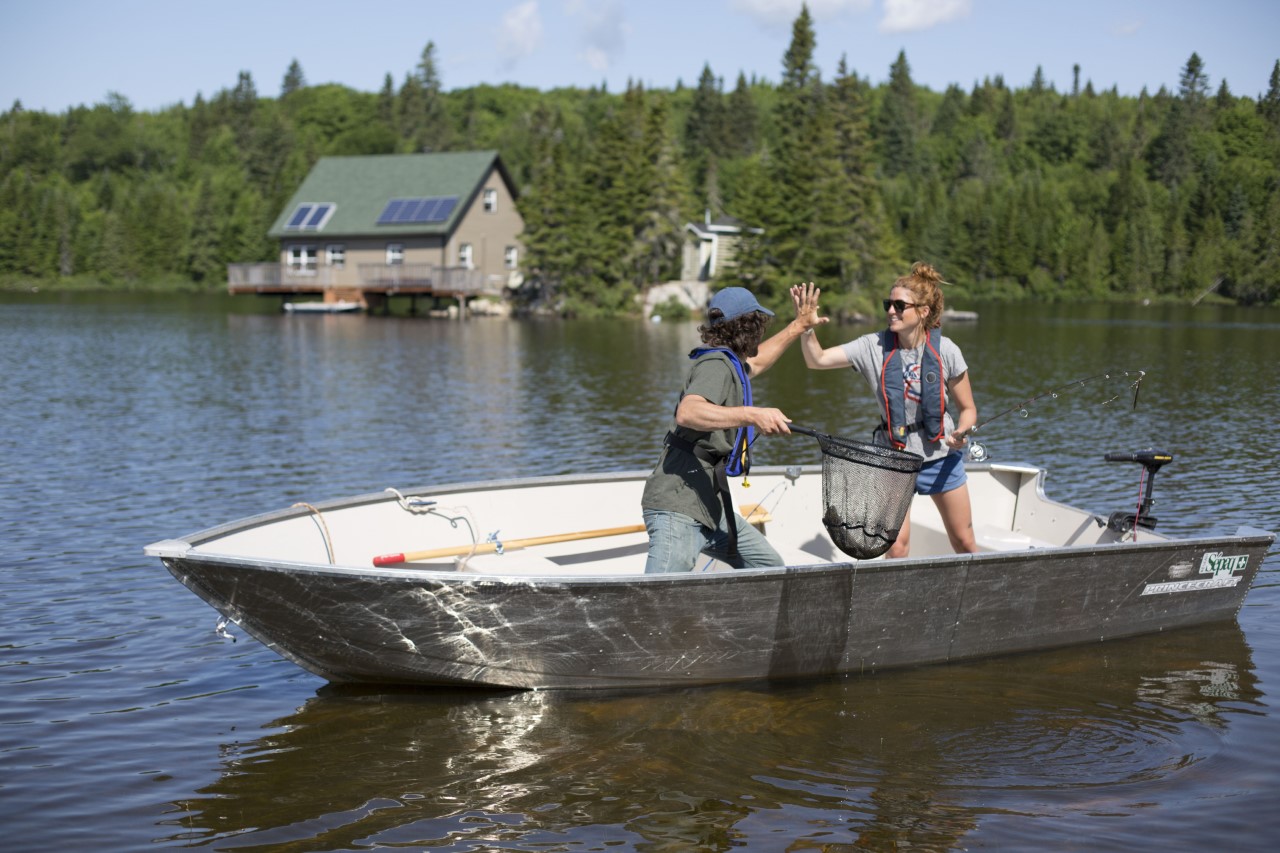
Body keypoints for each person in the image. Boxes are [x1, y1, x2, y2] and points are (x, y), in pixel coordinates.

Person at [795, 263, 979, 557]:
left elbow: (968, 409)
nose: (891, 311)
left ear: (923, 311)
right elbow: (816, 359)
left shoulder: (947, 351)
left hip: (941, 456)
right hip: (895, 459)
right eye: (888, 304)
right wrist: (806, 328)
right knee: (895, 546)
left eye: (899, 305)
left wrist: (961, 431)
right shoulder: (872, 346)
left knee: (964, 541)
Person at [641, 285, 822, 573]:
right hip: (679, 504)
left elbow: (759, 361)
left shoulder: (731, 363)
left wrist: (799, 325)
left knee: (767, 566)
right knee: (660, 596)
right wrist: (753, 415)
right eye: (759, 324)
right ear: (748, 327)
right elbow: (688, 412)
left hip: (709, 504)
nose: (762, 331)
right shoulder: (716, 364)